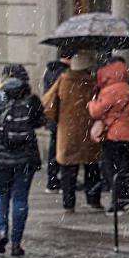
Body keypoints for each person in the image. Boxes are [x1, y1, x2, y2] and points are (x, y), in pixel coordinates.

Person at [0, 64, 45, 256]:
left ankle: (1, 231)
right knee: (20, 198)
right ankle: (16, 243)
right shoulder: (31, 99)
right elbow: (40, 121)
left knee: (0, 195)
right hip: (25, 157)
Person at [43, 50, 102, 212]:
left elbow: (48, 103)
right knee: (92, 166)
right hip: (89, 131)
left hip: (67, 131)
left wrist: (59, 118)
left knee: (68, 168)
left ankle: (69, 204)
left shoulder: (63, 80)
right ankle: (93, 200)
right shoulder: (92, 82)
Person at [88, 56, 129, 214]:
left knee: (110, 169)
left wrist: (92, 102)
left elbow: (96, 111)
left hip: (113, 134)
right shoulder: (127, 88)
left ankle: (118, 202)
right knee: (123, 167)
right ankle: (124, 197)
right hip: (128, 133)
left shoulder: (110, 90)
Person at [42, 54, 70, 192]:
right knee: (64, 150)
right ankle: (61, 181)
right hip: (63, 117)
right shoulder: (65, 73)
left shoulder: (49, 70)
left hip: (53, 116)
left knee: (54, 148)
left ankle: (52, 180)